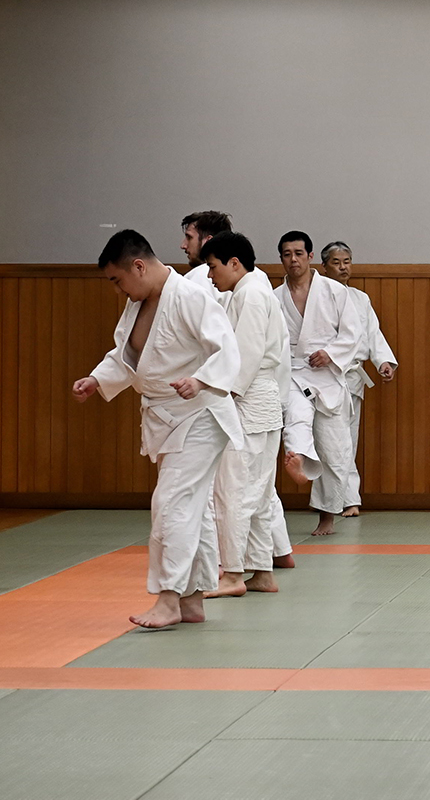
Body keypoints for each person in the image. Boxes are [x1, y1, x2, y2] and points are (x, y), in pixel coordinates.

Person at [72, 230, 242, 628]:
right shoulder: (140, 303)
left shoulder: (190, 296)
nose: (117, 290)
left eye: (117, 280)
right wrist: (98, 379)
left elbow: (227, 349)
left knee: (171, 505)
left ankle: (167, 598)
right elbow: (127, 356)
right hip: (167, 418)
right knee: (193, 511)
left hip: (199, 414)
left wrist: (200, 381)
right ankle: (191, 600)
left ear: (138, 266)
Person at [200, 232, 289, 598]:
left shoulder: (251, 294)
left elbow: (247, 354)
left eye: (213, 266)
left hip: (248, 399)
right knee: (259, 491)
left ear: (234, 263)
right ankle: (262, 573)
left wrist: (224, 394)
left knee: (233, 489)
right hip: (262, 401)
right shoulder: (255, 289)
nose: (209, 276)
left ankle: (234, 573)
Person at [274, 231, 361, 536]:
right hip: (295, 371)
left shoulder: (335, 291)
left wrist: (331, 354)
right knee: (295, 420)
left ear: (310, 257)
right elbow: (271, 343)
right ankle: (297, 458)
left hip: (327, 375)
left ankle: (327, 516)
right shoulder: (275, 298)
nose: (293, 259)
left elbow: (352, 333)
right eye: (287, 254)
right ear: (281, 258)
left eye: (299, 253)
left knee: (334, 449)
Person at [319, 241, 398, 461]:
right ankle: (337, 497)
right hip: (327, 376)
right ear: (324, 266)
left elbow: (373, 333)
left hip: (353, 377)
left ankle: (348, 496)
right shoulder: (316, 297)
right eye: (336, 262)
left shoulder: (360, 298)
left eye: (347, 262)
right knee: (331, 444)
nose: (343, 267)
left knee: (349, 441)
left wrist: (382, 361)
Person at [179, 210, 232, 293]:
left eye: (189, 237)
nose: (183, 245)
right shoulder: (245, 274)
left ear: (208, 241)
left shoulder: (197, 277)